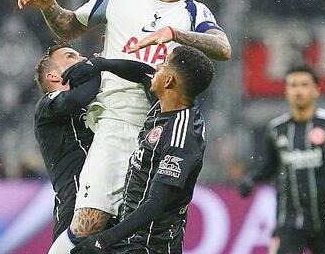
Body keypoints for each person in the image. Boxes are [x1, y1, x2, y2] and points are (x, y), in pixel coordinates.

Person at [17, 0, 231, 252]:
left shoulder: (194, 12)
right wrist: (49, 6)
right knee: (89, 223)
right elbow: (69, 27)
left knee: (148, 232)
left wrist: (175, 34)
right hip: (117, 121)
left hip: (164, 129)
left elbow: (223, 48)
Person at [69, 45, 215, 253]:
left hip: (150, 246)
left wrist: (103, 240)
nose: (156, 67)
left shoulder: (181, 136)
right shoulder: (166, 103)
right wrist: (102, 64)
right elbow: (141, 72)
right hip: (131, 240)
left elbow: (157, 202)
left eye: (163, 64)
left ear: (169, 81)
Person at [33, 44, 155, 241]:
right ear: (53, 76)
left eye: (81, 54)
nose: (82, 58)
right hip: (74, 203)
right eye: (71, 56)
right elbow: (76, 99)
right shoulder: (48, 104)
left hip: (106, 198)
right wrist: (98, 66)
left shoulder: (97, 104)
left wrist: (107, 62)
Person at [238, 64, 325, 254]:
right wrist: (251, 179)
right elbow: (270, 167)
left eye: (304, 85)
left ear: (316, 90)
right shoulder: (276, 129)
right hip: (289, 220)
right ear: (286, 91)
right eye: (293, 85)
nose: (299, 90)